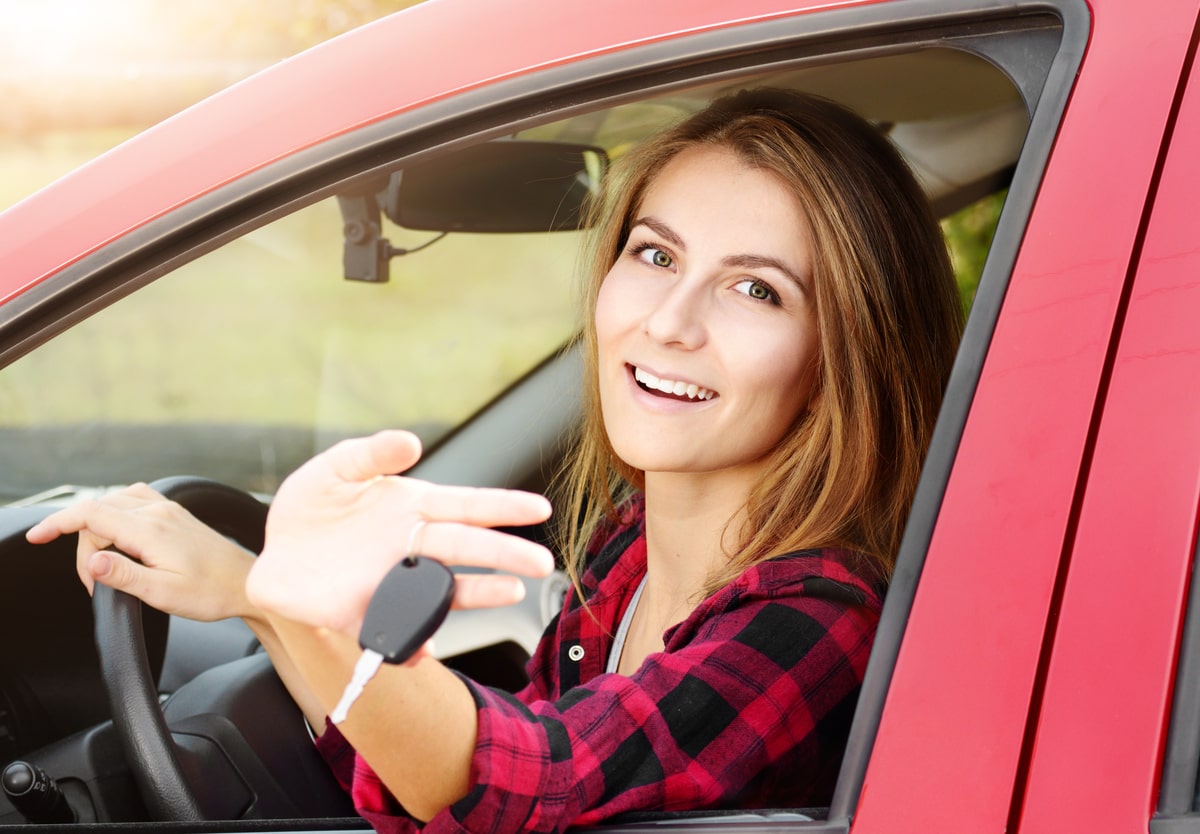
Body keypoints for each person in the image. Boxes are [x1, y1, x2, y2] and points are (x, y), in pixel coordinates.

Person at [26, 88, 963, 832]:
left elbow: (534, 788)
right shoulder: (631, 547)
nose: (669, 323)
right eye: (655, 255)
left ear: (845, 353)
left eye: (755, 289)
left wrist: (295, 605)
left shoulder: (820, 618)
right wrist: (255, 592)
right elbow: (432, 775)